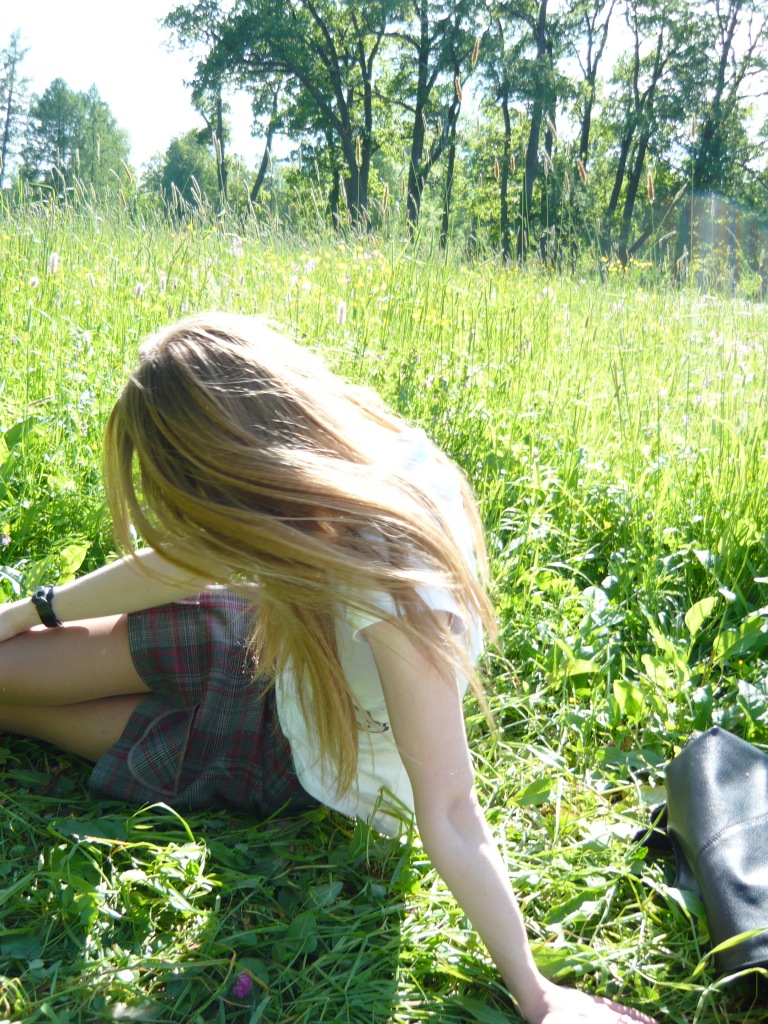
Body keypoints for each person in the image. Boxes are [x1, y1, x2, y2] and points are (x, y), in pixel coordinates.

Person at [0, 313, 656, 1024]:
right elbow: (196, 556)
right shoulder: (341, 462)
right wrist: (29, 611)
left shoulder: (394, 586)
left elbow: (450, 810)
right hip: (257, 636)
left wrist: (539, 995)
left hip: (288, 754)